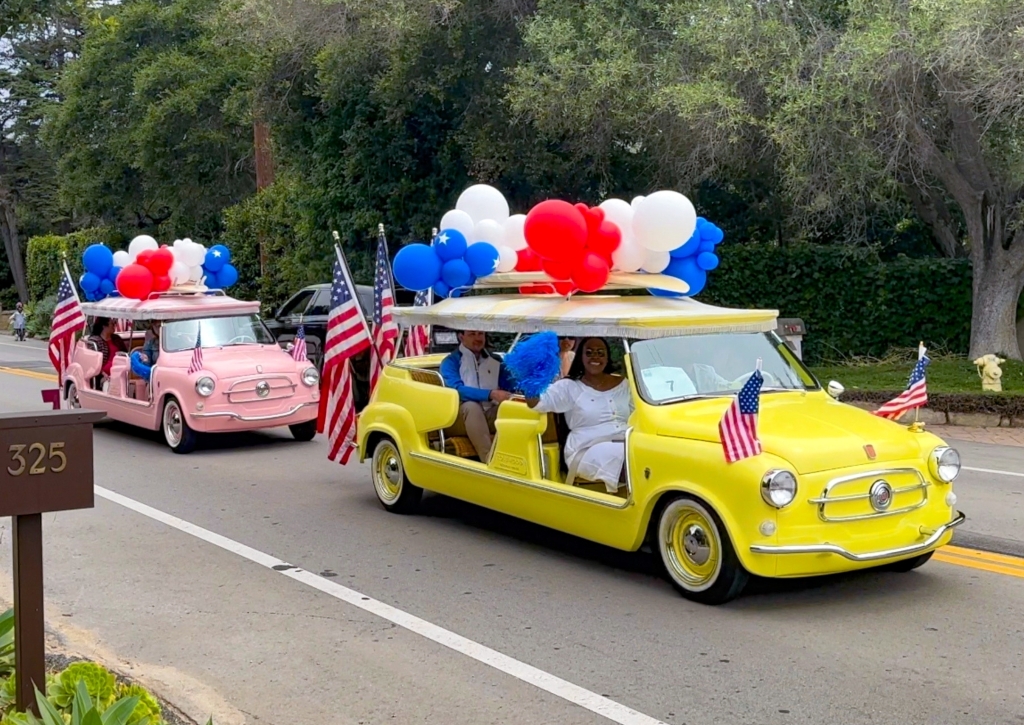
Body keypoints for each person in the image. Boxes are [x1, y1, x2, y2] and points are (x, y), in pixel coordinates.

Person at [528, 337, 634, 492]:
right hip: (587, 447)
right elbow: (536, 403)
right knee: (627, 457)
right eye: (589, 353)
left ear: (607, 357)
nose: (595, 357)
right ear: (581, 357)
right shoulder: (569, 387)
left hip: (628, 439)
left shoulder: (624, 384)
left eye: (600, 352)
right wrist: (530, 376)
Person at [439, 330, 515, 461]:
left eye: (480, 334)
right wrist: (491, 394)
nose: (478, 338)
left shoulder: (496, 360)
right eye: (472, 334)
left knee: (513, 407)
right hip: (457, 418)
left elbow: (511, 386)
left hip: (488, 414)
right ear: (461, 337)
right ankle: (489, 460)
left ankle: (519, 458)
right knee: (472, 407)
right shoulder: (450, 362)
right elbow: (457, 390)